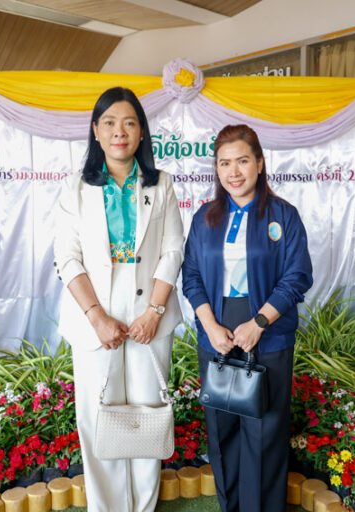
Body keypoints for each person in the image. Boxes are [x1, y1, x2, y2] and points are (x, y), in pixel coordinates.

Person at [53, 87, 184, 512]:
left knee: (147, 412)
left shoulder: (162, 184)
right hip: (95, 312)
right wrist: (96, 317)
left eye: (129, 123)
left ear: (141, 131)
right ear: (96, 131)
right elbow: (66, 257)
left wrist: (154, 312)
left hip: (150, 311)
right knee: (98, 414)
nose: (119, 132)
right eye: (109, 123)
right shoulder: (75, 188)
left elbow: (173, 250)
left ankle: (143, 506)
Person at [182, 124, 313, 512]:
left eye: (242, 161)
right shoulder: (204, 218)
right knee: (222, 433)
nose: (233, 171)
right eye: (224, 163)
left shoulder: (283, 215)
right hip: (216, 333)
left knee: (264, 431)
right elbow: (191, 276)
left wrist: (259, 323)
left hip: (267, 334)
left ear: (259, 163)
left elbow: (297, 276)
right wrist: (209, 326)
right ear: (216, 169)